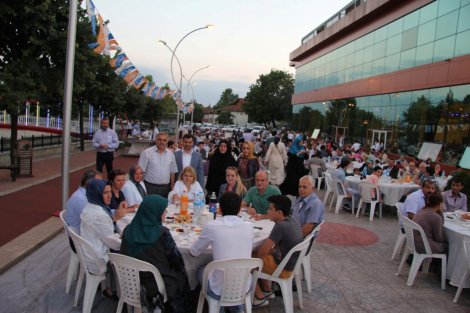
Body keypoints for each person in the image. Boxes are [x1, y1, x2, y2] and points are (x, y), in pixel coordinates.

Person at [121, 195, 191, 313]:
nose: (166, 212)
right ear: (154, 213)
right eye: (163, 210)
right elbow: (177, 261)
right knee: (183, 276)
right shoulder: (162, 233)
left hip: (131, 280)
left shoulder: (128, 230)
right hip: (156, 284)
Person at [190, 192, 253, 308]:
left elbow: (194, 252)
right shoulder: (249, 226)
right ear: (239, 209)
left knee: (199, 270)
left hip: (218, 290)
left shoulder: (212, 226)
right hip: (244, 286)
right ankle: (236, 308)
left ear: (219, 209)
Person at [253, 195, 303, 308]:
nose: (267, 211)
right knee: (258, 254)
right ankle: (267, 290)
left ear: (279, 212)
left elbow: (262, 252)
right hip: (289, 264)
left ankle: (258, 297)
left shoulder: (281, 226)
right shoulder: (292, 220)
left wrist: (254, 262)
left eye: (270, 209)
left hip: (283, 269)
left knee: (248, 262)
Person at [80, 179, 128, 297]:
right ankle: (120, 292)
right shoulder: (99, 215)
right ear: (96, 193)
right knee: (131, 253)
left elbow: (106, 234)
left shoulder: (89, 207)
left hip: (89, 253)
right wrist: (127, 239)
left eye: (110, 192)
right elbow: (113, 243)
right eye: (105, 192)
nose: (109, 195)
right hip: (97, 259)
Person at [138, 132, 178, 198]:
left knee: (164, 207)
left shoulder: (171, 154)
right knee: (150, 206)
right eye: (160, 139)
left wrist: (172, 188)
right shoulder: (146, 153)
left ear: (167, 141)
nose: (162, 142)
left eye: (164, 140)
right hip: (150, 187)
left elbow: (172, 172)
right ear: (156, 140)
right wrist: (141, 187)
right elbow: (141, 171)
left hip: (165, 188)